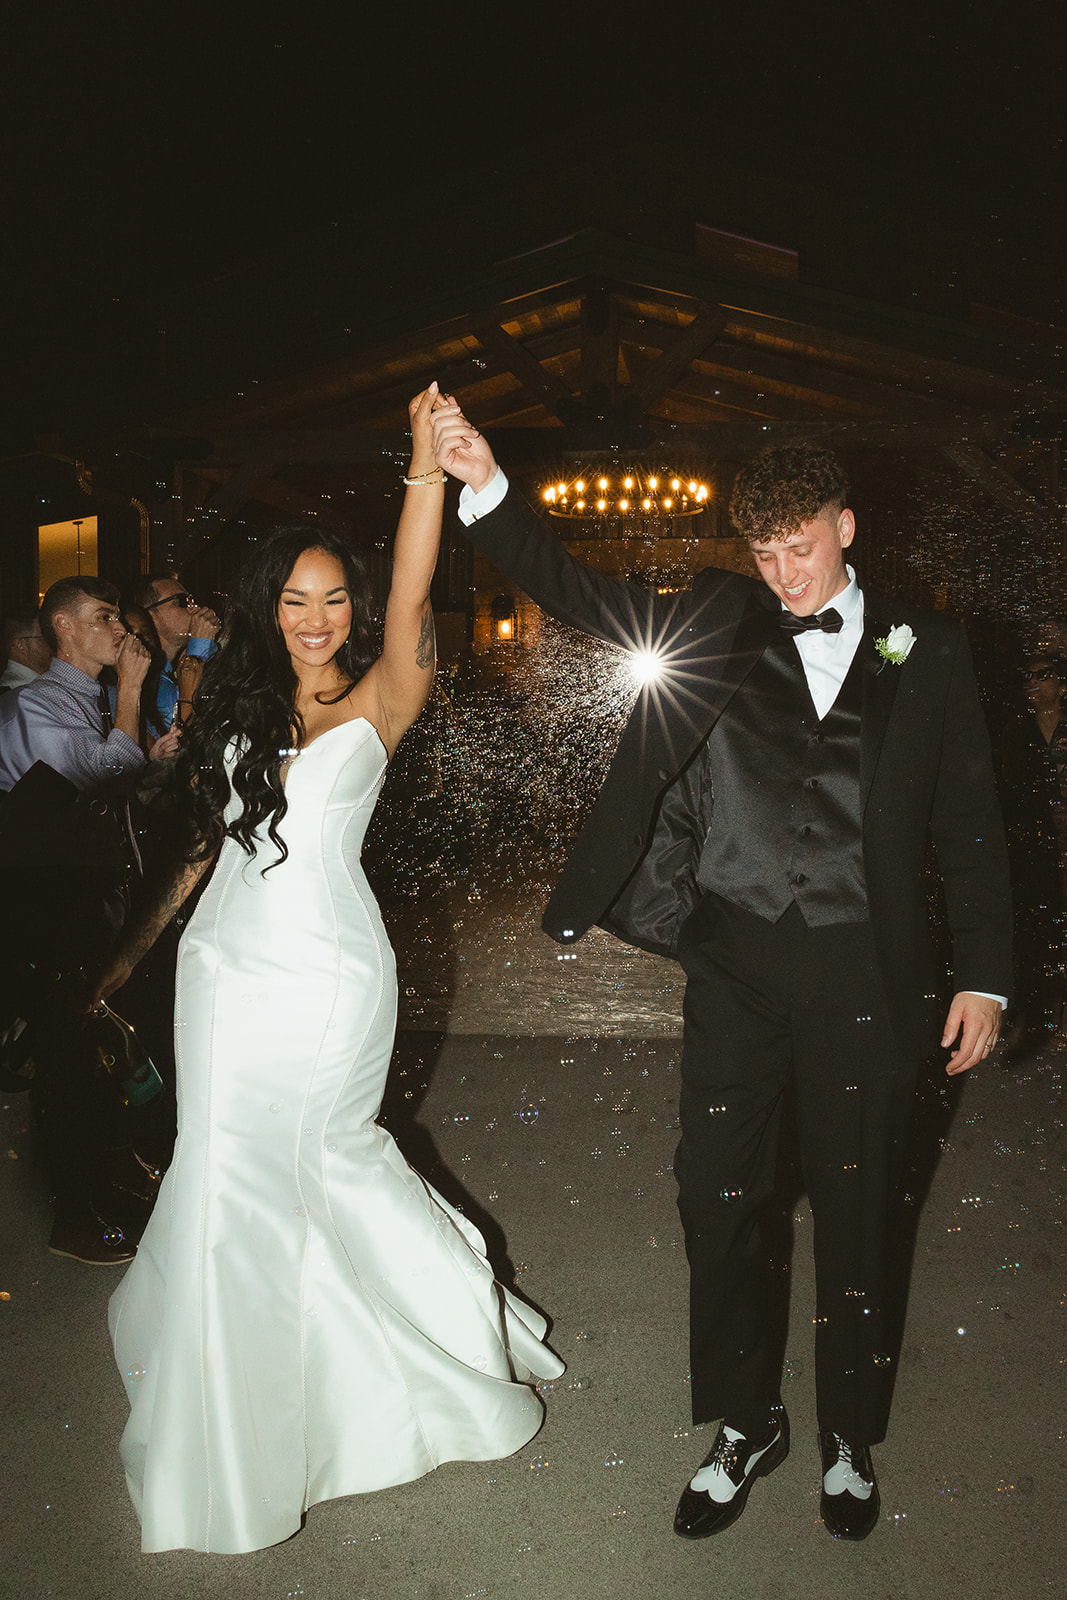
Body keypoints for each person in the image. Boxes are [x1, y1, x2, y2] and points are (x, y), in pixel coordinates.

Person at [432, 406, 1011, 1543]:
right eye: (762, 552)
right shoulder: (720, 618)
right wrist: (490, 486)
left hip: (867, 976)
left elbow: (971, 824)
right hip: (738, 964)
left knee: (856, 1207)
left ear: (846, 527)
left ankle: (846, 1429)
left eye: (800, 547)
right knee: (719, 1199)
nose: (784, 574)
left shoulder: (927, 649)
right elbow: (584, 596)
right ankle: (746, 1419)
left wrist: (985, 976)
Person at [88, 386, 562, 1555]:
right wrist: (120, 966)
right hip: (223, 974)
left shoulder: (387, 687)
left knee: (328, 1156)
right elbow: (203, 851)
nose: (315, 618)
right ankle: (237, 1411)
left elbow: (411, 581)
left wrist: (422, 468)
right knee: (224, 1173)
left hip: (328, 975)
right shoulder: (231, 697)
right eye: (294, 600)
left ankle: (437, 1340)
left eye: (331, 598)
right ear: (267, 608)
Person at [0, 577, 149, 792]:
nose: (121, 628)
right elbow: (108, 780)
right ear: (63, 624)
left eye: (117, 617)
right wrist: (130, 687)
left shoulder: (93, 693)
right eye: (105, 617)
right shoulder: (33, 703)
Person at [131, 572, 221, 734]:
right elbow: (191, 729)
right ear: (150, 616)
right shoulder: (148, 678)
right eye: (181, 601)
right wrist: (200, 642)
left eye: (192, 600)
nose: (195, 608)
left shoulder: (171, 669)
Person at [0, 608, 52, 691]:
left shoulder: (38, 682)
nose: (50, 644)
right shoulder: (18, 690)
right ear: (20, 644)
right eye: (43, 638)